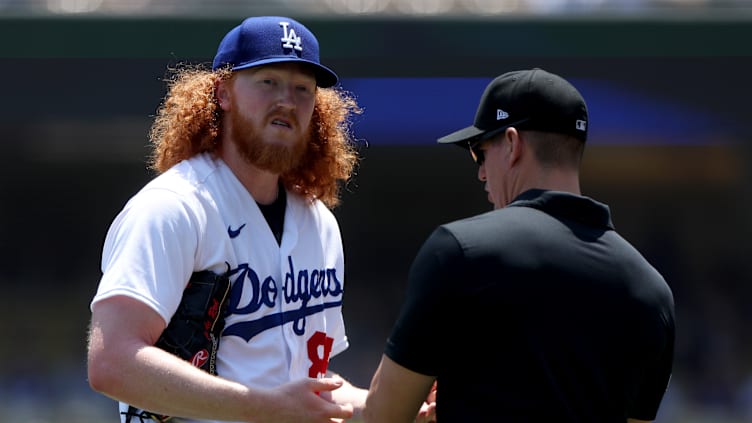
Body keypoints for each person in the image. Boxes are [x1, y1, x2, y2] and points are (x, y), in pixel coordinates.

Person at [86, 15, 369, 423]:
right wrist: (265, 407)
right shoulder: (173, 207)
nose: (287, 101)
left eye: (303, 88)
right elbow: (111, 361)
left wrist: (384, 405)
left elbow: (306, 381)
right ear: (223, 93)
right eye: (268, 81)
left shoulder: (319, 223)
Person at [363, 68, 676, 423]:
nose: (481, 173)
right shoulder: (651, 291)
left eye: (479, 153)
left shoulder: (460, 252)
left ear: (512, 144)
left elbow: (383, 417)